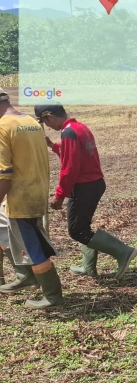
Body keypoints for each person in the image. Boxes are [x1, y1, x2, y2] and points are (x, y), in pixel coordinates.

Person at [35, 104, 137, 279]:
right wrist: (52, 145)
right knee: (84, 226)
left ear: (49, 117)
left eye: (46, 122)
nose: (48, 127)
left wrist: (60, 195)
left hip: (84, 187)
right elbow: (74, 154)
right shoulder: (79, 127)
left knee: (77, 231)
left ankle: (123, 252)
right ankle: (88, 266)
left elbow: (69, 168)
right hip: (95, 184)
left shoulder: (68, 132)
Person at [0, 87, 64, 308]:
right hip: (37, 192)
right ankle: (27, 277)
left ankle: (53, 295)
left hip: (19, 197)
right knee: (14, 235)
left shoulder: (2, 127)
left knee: (33, 246)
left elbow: (4, 173)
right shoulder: (30, 122)